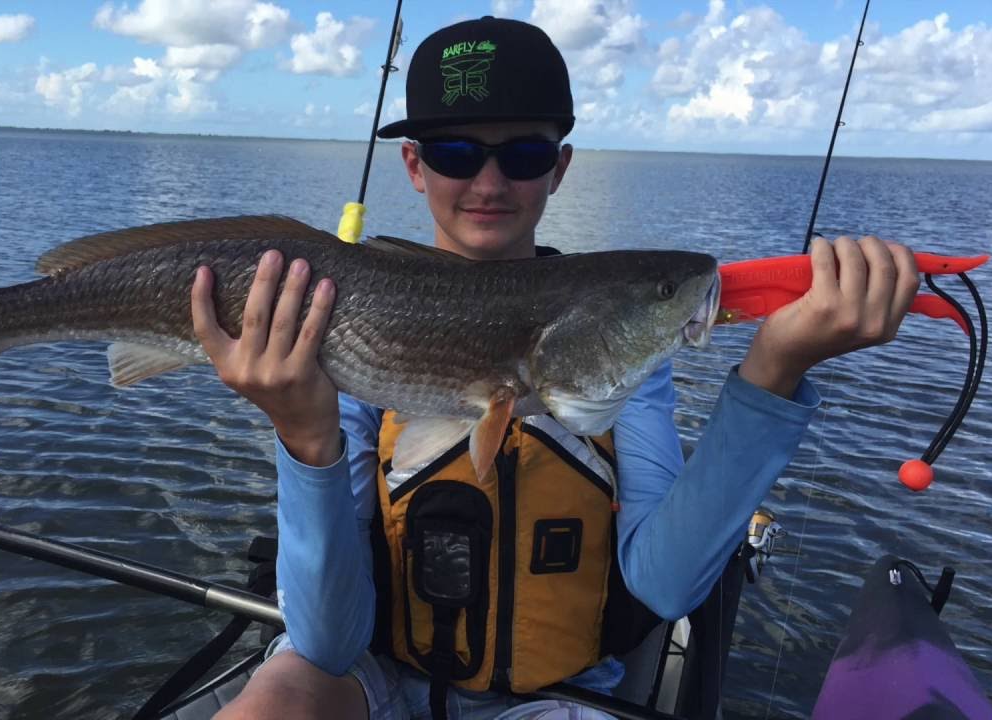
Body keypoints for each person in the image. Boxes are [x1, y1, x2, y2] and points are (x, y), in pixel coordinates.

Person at [189, 16, 918, 720]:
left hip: (554, 697)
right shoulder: (345, 327)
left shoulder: (622, 355)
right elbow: (325, 644)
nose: (489, 182)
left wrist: (774, 372)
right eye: (455, 153)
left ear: (560, 168)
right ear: (414, 164)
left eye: (524, 155)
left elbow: (665, 584)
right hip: (370, 676)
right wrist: (305, 439)